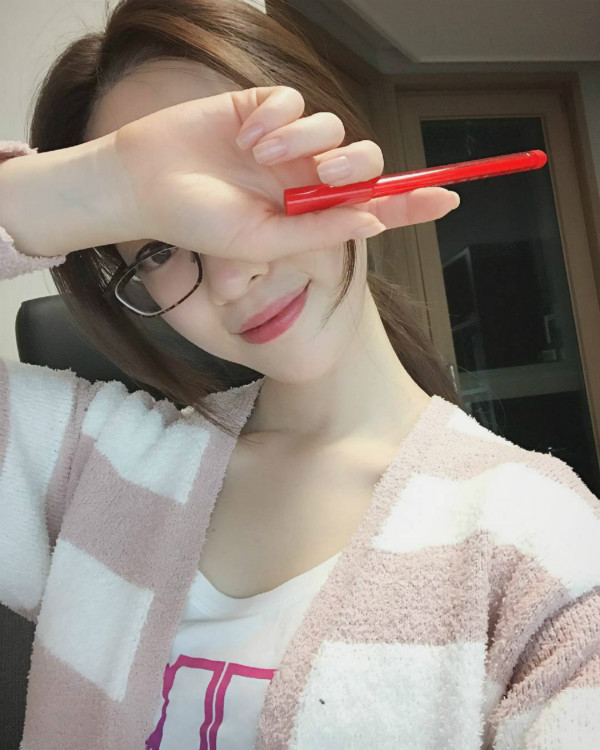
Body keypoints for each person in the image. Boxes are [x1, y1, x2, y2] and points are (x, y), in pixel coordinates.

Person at [0, 1, 599, 748]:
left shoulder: (541, 543)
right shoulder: (89, 467)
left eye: (243, 180)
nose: (234, 273)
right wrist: (82, 188)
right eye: (157, 247)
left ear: (341, 146)